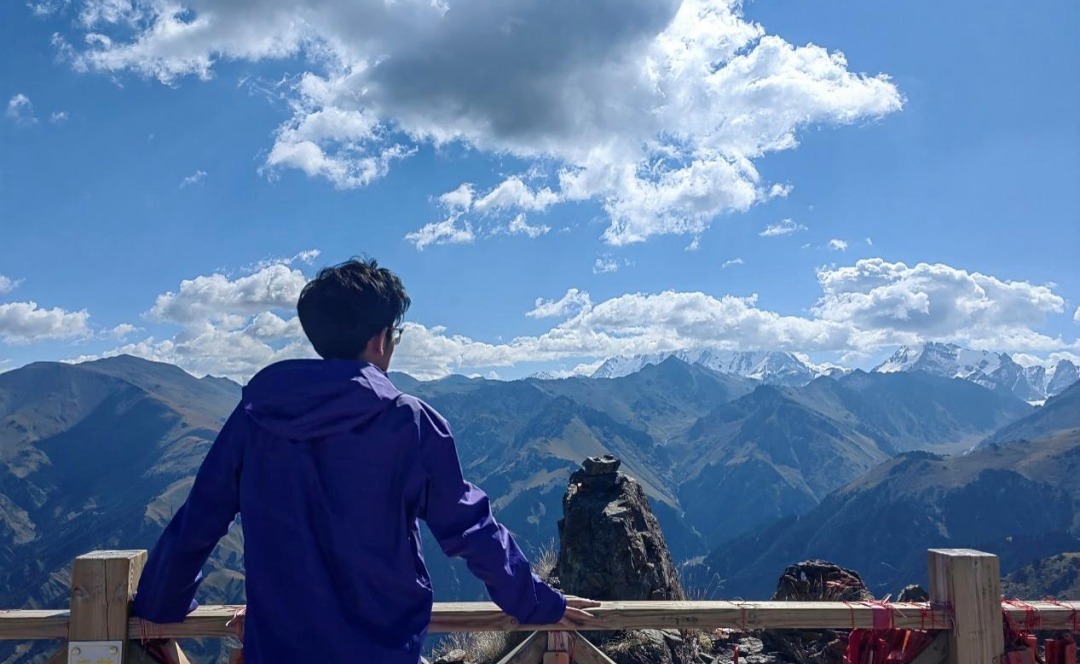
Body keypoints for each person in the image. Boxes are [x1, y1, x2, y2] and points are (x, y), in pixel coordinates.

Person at [132, 258, 598, 663]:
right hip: (383, 651)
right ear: (379, 340)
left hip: (278, 650)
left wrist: (160, 605)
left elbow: (200, 518)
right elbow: (471, 529)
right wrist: (537, 603)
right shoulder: (411, 423)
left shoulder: (255, 418)